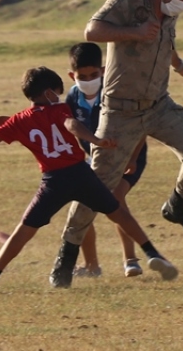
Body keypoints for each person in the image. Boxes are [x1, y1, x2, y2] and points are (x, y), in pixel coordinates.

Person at [49, 0, 183, 289]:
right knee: (98, 187)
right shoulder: (127, 3)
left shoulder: (168, 11)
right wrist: (133, 32)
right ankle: (66, 256)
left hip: (159, 105)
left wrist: (180, 65)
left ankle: (178, 205)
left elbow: (165, 44)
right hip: (120, 111)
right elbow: (91, 31)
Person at [0, 66, 177, 292]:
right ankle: (153, 253)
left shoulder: (19, 121)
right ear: (49, 93)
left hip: (53, 182)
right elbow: (71, 125)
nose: (59, 97)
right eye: (57, 92)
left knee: (24, 230)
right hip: (80, 174)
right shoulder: (60, 110)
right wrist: (94, 139)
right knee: (118, 213)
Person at [63, 42, 150, 279]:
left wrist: (132, 157)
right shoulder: (72, 98)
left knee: (115, 199)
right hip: (97, 161)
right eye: (82, 76)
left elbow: (141, 126)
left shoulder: (116, 91)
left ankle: (131, 260)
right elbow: (72, 129)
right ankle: (92, 266)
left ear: (103, 70)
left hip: (129, 157)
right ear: (73, 75)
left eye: (94, 75)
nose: (89, 79)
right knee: (82, 207)